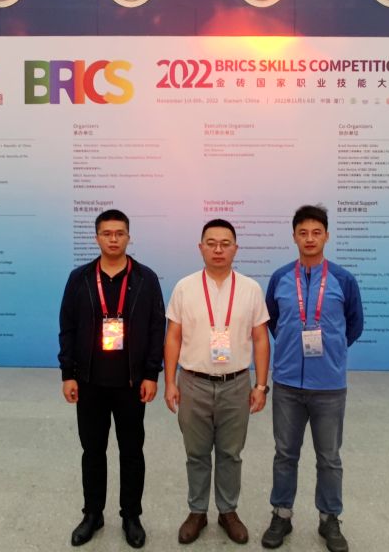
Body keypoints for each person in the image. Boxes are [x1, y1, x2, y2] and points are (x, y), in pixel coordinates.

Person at [58, 209, 165, 549]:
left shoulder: (146, 278)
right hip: (89, 382)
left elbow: (156, 328)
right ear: (97, 238)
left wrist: (152, 374)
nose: (114, 239)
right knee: (93, 451)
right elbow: (67, 327)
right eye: (107, 233)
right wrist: (68, 374)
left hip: (131, 384)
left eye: (119, 233)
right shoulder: (80, 278)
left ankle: (131, 516)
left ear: (129, 237)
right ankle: (92, 514)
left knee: (132, 451)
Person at [260, 205, 363, 552]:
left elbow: (354, 324)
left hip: (329, 386)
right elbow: (272, 320)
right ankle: (282, 514)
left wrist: (332, 351)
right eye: (303, 233)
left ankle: (329, 518)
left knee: (329, 457)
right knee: (285, 454)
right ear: (294, 237)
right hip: (287, 384)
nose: (309, 239)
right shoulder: (279, 278)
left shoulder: (343, 280)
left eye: (316, 233)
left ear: (326, 236)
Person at [163, 218, 271, 545]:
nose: (218, 249)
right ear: (201, 248)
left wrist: (260, 385)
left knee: (230, 453)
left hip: (236, 384)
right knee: (196, 453)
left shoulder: (250, 289)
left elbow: (260, 339)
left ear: (235, 248)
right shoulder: (185, 287)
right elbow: (173, 337)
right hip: (193, 382)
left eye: (225, 244)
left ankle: (227, 511)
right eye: (211, 243)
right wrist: (170, 383)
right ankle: (197, 511)